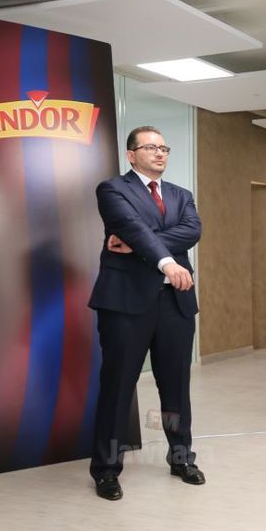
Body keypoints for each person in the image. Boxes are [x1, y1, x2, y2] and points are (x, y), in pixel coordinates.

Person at [88, 126, 203, 501]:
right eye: (150, 147)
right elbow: (132, 227)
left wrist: (139, 243)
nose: (159, 153)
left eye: (164, 148)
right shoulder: (112, 189)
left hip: (175, 303)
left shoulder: (181, 195)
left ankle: (181, 458)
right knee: (118, 387)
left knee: (176, 388)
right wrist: (165, 258)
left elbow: (192, 231)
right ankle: (106, 469)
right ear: (131, 154)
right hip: (125, 304)